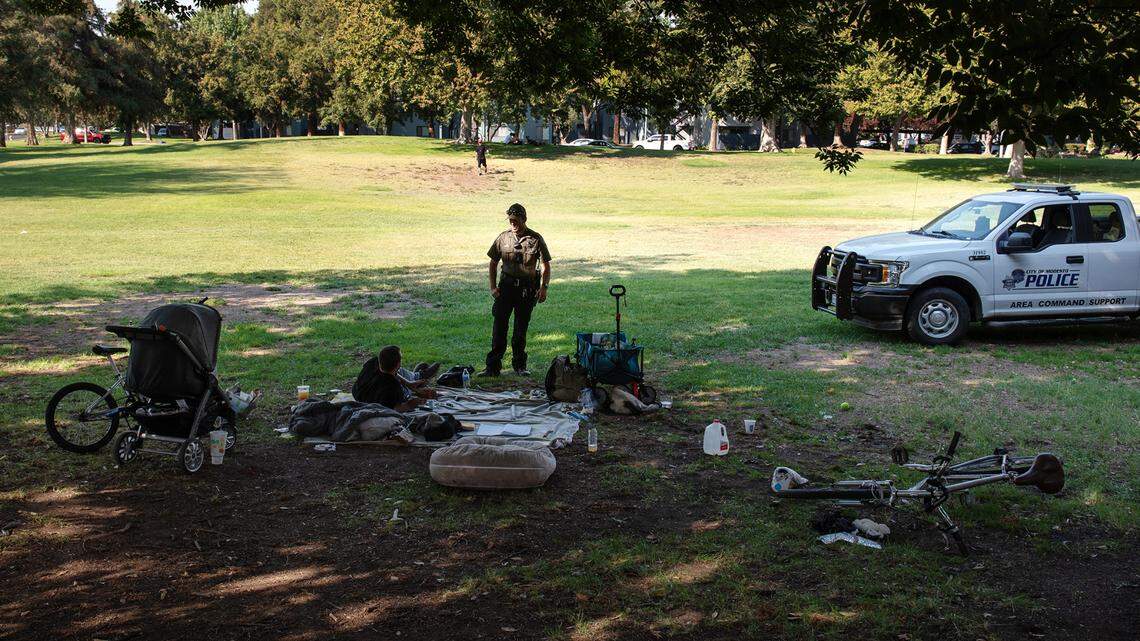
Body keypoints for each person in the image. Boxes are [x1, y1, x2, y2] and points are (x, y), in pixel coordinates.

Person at [479, 203, 551, 377]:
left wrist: (544, 288)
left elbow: (545, 265)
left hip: (526, 291)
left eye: (516, 220)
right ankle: (492, 368)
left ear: (524, 219)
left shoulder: (535, 238)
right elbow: (493, 262)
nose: (513, 224)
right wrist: (493, 287)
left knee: (520, 330)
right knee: (499, 328)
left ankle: (519, 366)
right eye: (511, 220)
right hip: (505, 289)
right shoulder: (503, 238)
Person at [352, 346, 439, 411]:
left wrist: (408, 383)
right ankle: (418, 376)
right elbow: (394, 409)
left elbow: (391, 372)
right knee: (405, 391)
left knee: (398, 374)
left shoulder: (373, 362)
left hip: (359, 394)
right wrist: (412, 403)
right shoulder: (393, 387)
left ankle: (415, 376)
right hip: (373, 403)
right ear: (398, 364)